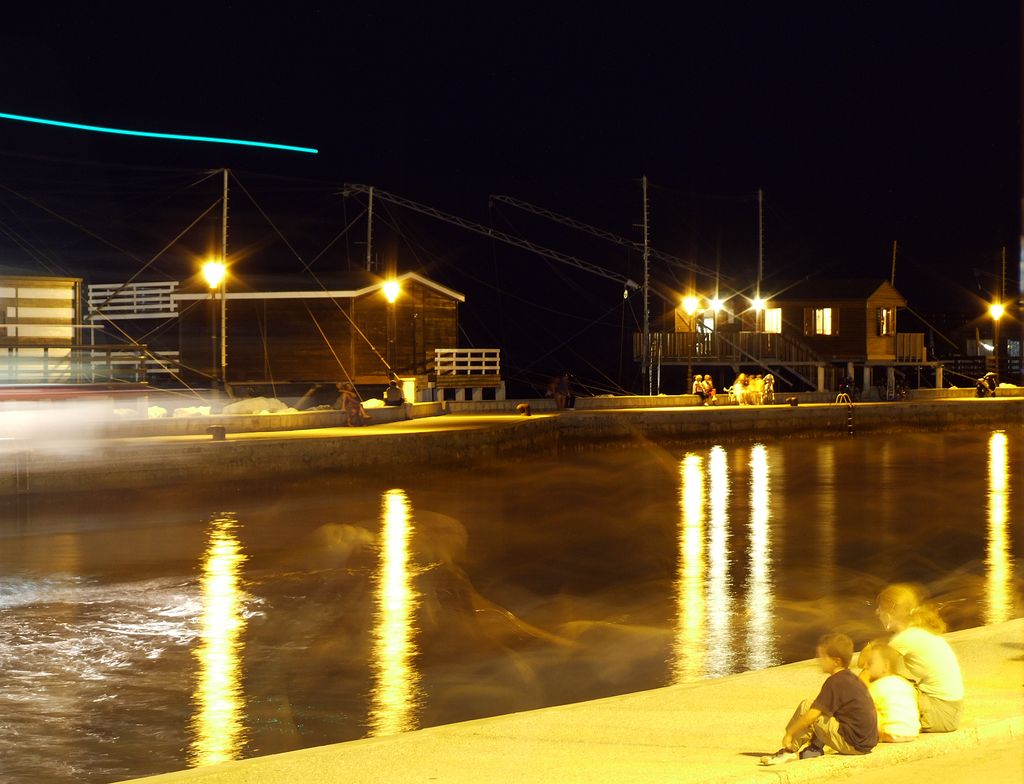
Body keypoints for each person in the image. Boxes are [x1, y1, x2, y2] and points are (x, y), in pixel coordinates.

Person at [760, 632, 878, 765]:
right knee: (822, 708)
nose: (818, 660)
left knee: (808, 707)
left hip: (853, 744)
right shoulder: (850, 678)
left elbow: (812, 715)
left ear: (836, 661)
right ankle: (813, 749)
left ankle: (789, 750)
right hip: (866, 742)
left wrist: (790, 732)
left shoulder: (834, 682)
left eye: (822, 657)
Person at [874, 583, 964, 732]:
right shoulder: (919, 630)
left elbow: (874, 668)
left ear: (889, 614)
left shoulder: (906, 638)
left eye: (880, 608)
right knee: (896, 682)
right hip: (951, 709)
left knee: (884, 684)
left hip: (941, 713)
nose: (877, 612)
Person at [857, 641, 920, 743]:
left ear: (886, 666)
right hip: (912, 732)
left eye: (870, 663)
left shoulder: (877, 687)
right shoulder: (905, 684)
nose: (865, 666)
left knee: (867, 708)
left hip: (889, 733)